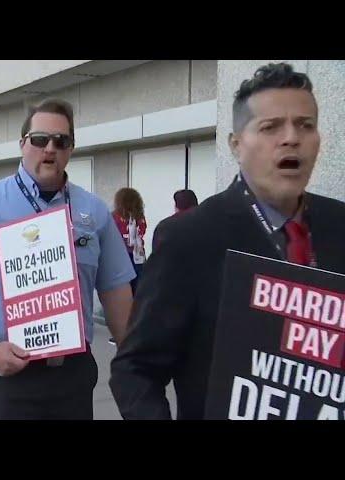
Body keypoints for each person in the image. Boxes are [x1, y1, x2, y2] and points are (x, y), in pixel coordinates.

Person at [110, 62, 345, 420]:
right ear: (236, 145)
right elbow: (135, 370)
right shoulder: (189, 239)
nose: (291, 138)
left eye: (305, 125)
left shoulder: (339, 224)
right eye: (270, 127)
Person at [0, 98, 135, 420]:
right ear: (22, 144)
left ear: (71, 148)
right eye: (40, 139)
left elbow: (116, 291)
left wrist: (136, 361)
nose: (50, 148)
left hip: (72, 374)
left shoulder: (94, 212)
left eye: (62, 141)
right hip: (7, 372)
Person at [111, 187, 146, 293]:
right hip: (138, 256)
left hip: (120, 257)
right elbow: (142, 232)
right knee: (139, 291)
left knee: (122, 292)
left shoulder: (113, 217)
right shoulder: (140, 217)